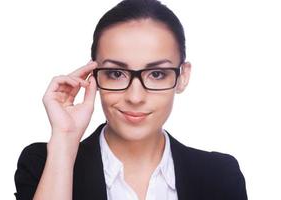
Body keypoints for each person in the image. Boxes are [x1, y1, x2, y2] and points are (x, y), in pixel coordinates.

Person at [14, 0, 248, 199]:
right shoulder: (46, 163)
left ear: (182, 77)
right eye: (116, 74)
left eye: (157, 74)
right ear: (92, 75)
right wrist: (65, 140)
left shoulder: (220, 175)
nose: (135, 97)